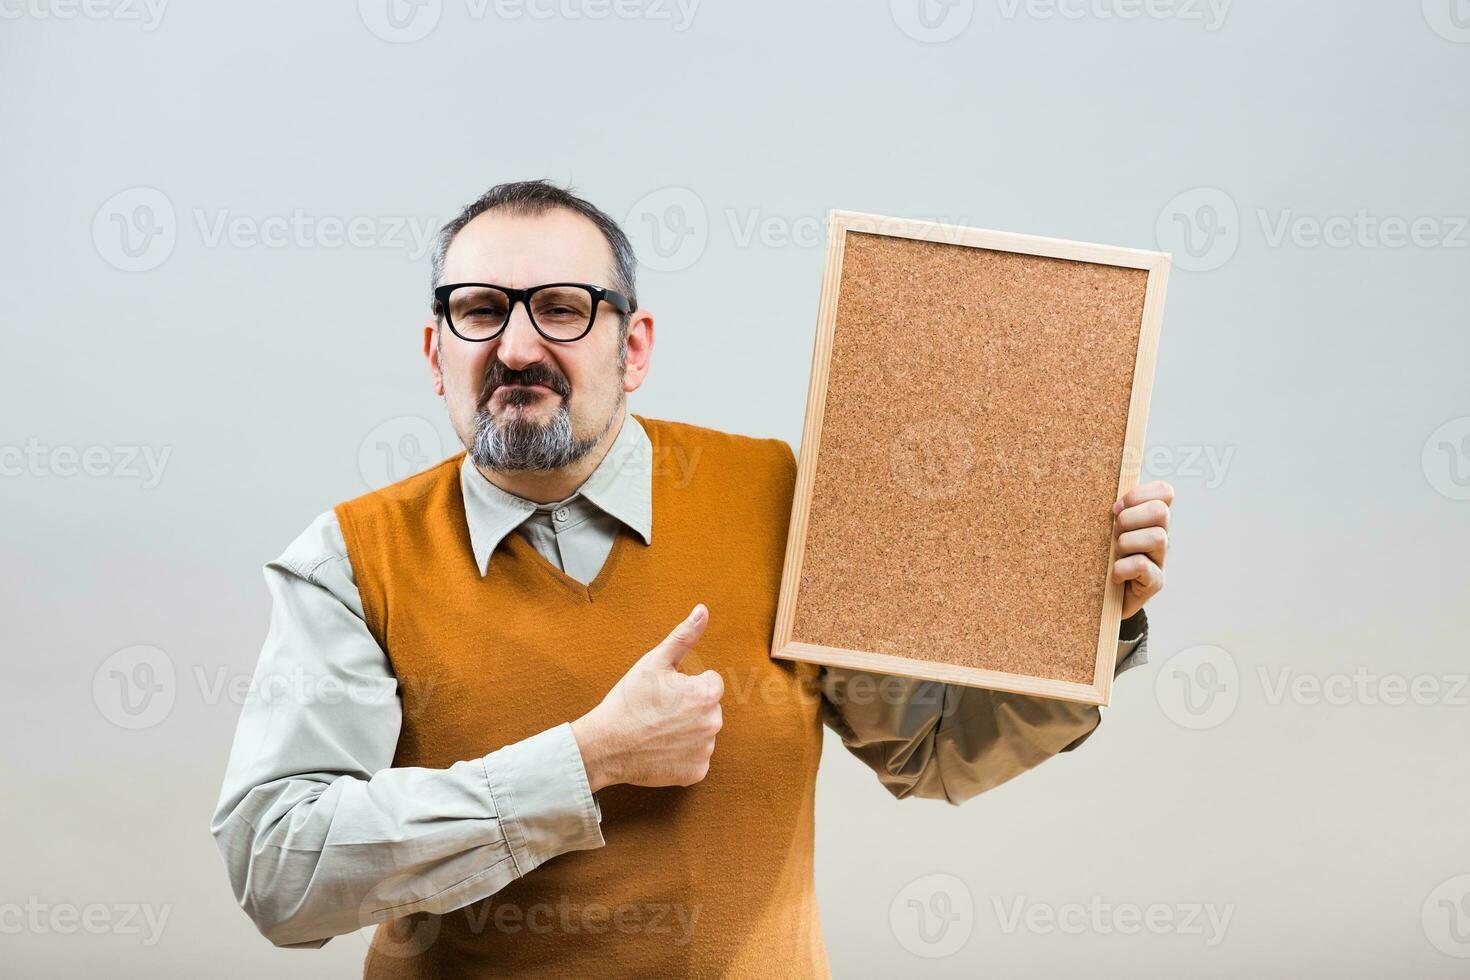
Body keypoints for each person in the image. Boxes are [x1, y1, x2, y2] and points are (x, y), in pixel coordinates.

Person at [209, 179, 1171, 978]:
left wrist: (1084, 619)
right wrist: (585, 761)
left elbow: (930, 752)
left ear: (632, 349)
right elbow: (280, 875)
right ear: (437, 353)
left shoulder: (775, 498)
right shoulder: (349, 558)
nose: (516, 347)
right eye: (478, 311)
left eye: (561, 307)